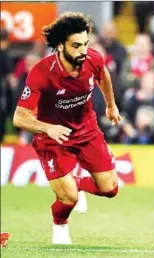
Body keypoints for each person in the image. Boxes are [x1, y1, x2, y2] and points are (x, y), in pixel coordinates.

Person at [13, 12, 121, 245]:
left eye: (85, 44)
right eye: (76, 45)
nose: (83, 50)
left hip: (86, 130)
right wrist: (46, 128)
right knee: (68, 197)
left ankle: (78, 183)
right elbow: (19, 118)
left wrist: (111, 106)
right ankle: (60, 226)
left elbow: (104, 76)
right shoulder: (42, 72)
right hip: (52, 138)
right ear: (60, 46)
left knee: (110, 189)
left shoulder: (92, 59)